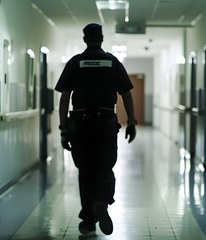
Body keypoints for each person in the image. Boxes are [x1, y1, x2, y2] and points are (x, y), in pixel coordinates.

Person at [55, 23, 137, 236]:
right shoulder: (112, 62)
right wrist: (133, 121)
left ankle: (88, 222)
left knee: (85, 171)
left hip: (80, 123)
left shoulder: (75, 63)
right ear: (101, 38)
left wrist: (63, 128)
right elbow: (126, 94)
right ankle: (101, 201)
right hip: (105, 122)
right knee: (105, 167)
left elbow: (64, 97)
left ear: (84, 39)